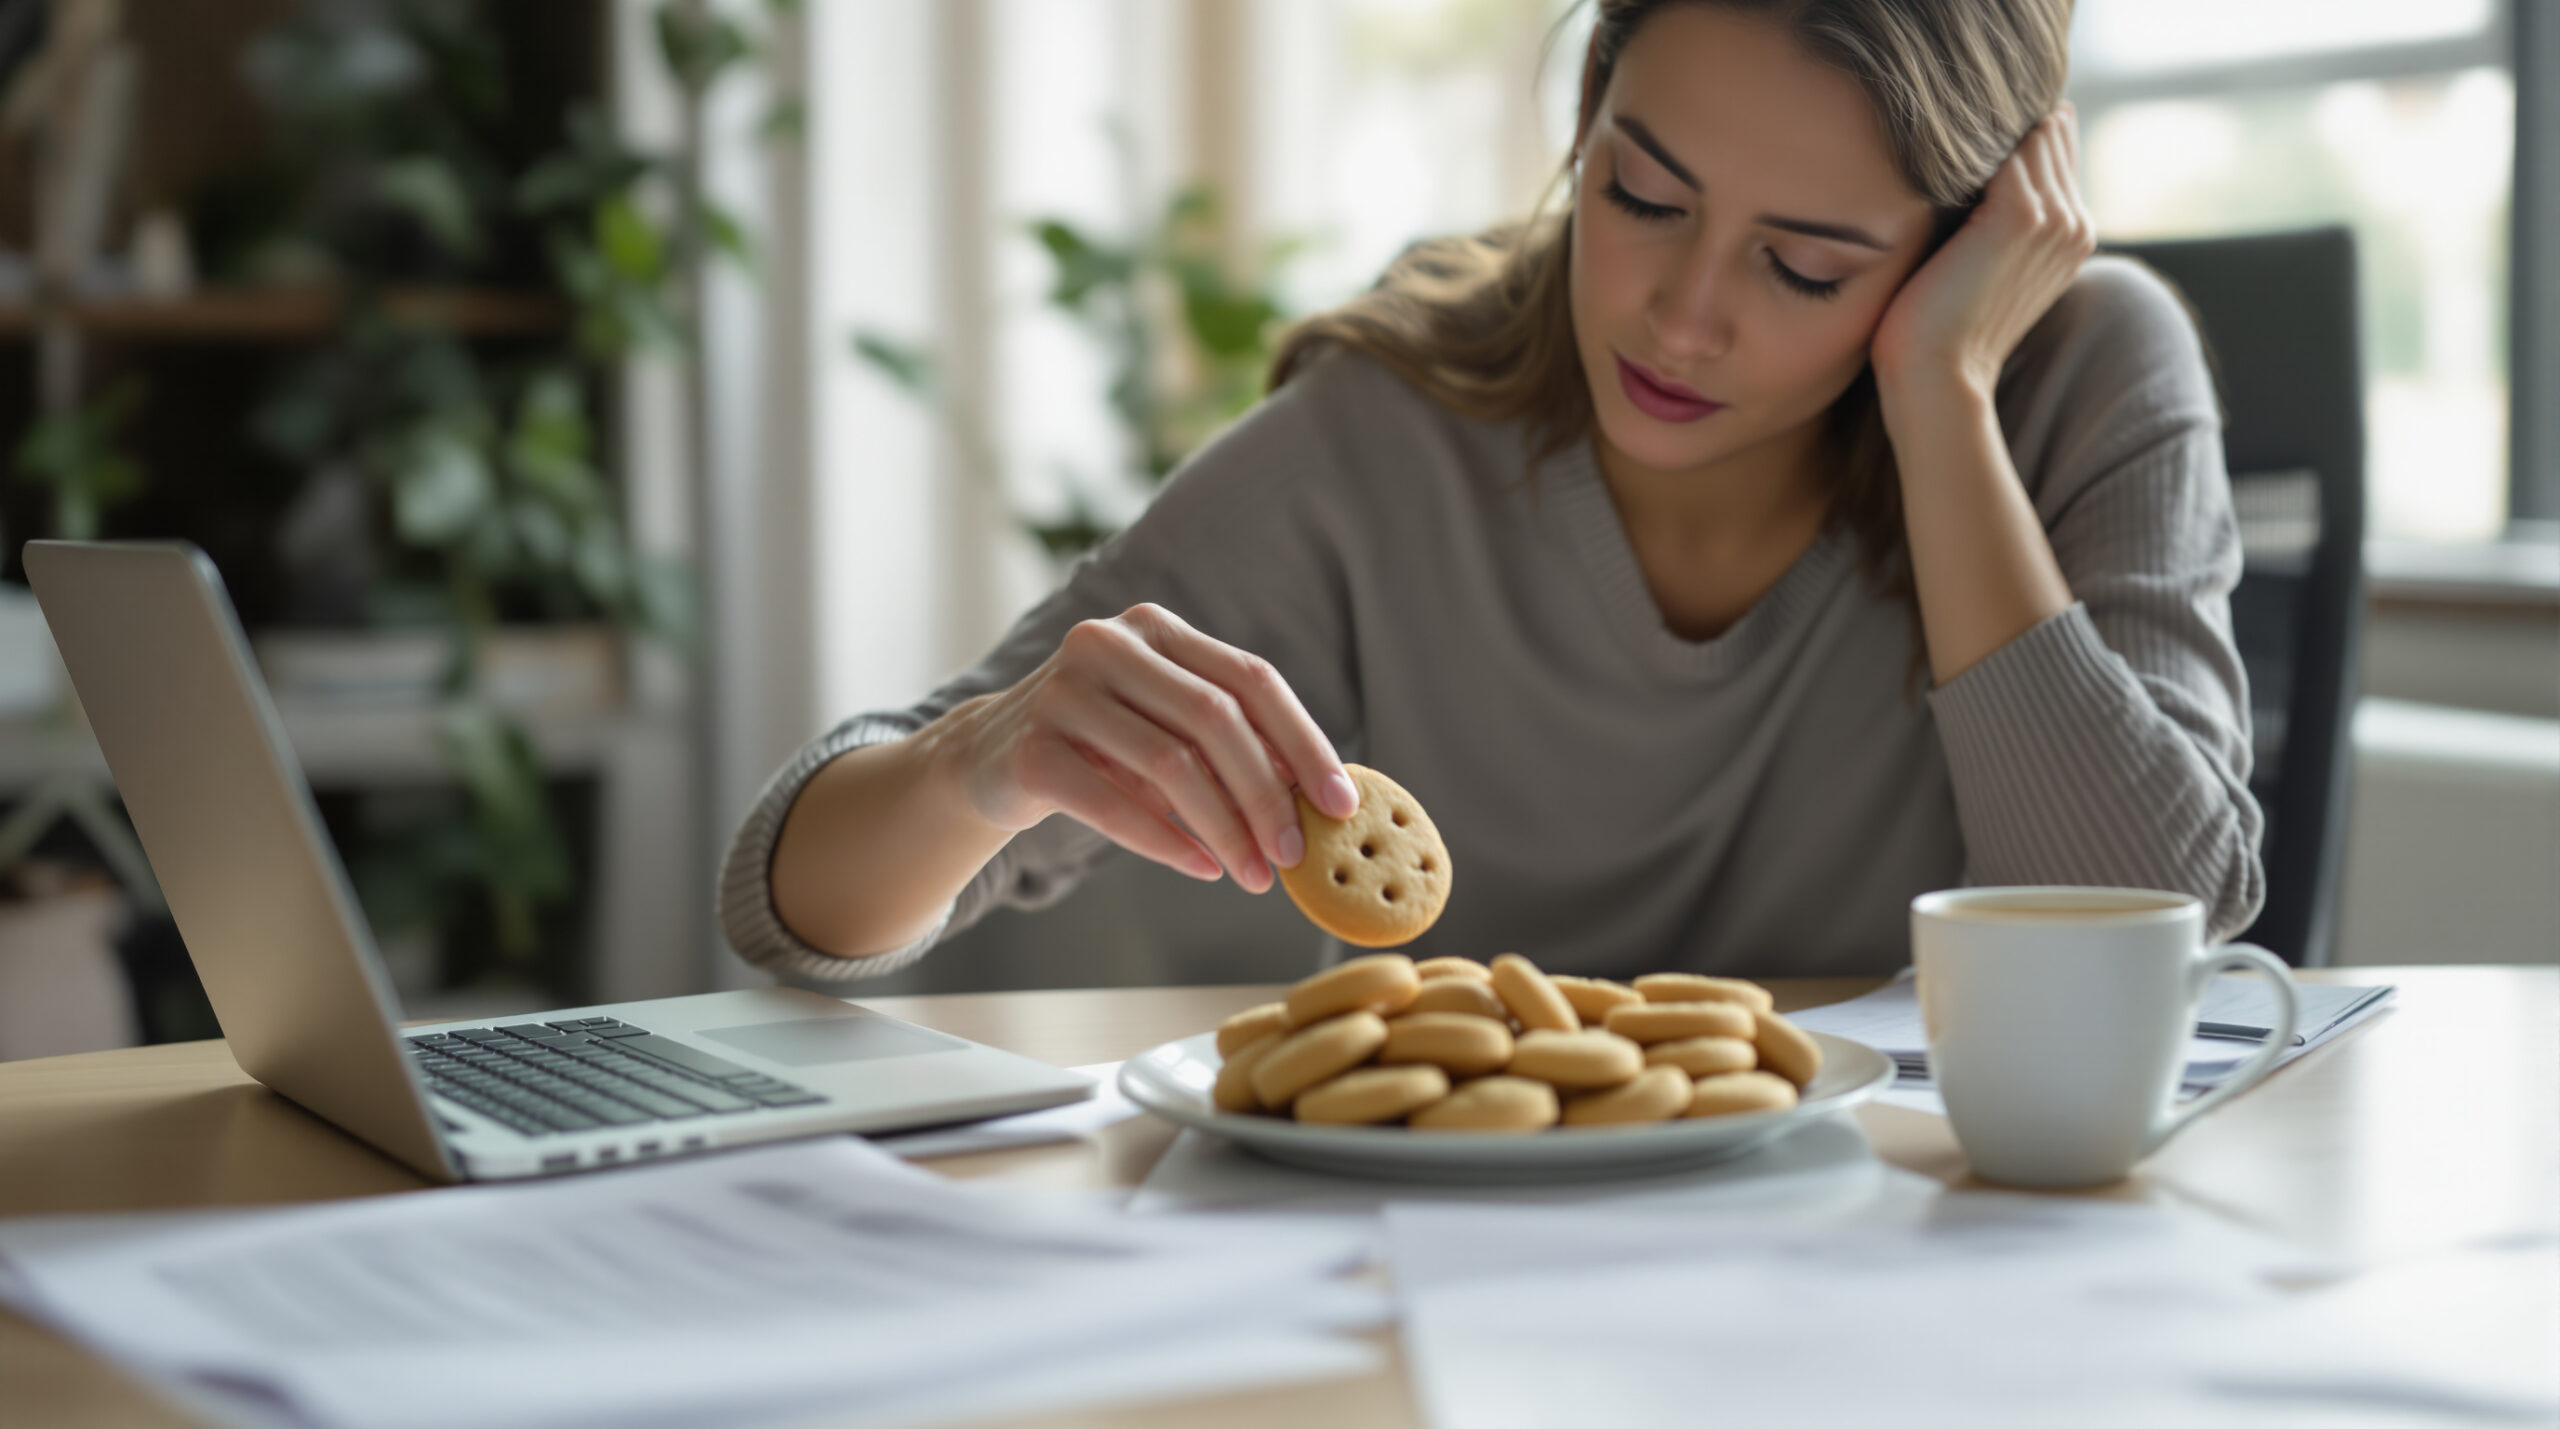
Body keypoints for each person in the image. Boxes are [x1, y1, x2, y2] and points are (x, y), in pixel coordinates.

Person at [720, 0, 2262, 986]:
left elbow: (2160, 920)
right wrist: (978, 762)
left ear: (1967, 240)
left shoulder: (2076, 378)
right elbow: (787, 904)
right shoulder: (1394, 430)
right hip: (1445, 1252)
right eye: (1641, 195)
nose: (1681, 318)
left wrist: (1942, 399)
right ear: (1588, 105)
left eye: (1804, 266)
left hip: (1915, 1263)